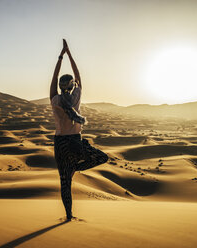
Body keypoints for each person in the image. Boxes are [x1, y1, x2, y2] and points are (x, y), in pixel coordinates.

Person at [50, 39, 109, 220]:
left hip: (60, 144)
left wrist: (60, 56)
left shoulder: (55, 99)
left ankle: (68, 216)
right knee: (102, 157)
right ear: (73, 85)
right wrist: (69, 54)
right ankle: (77, 167)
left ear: (60, 87)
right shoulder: (77, 96)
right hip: (75, 142)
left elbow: (54, 78)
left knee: (65, 182)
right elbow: (78, 74)